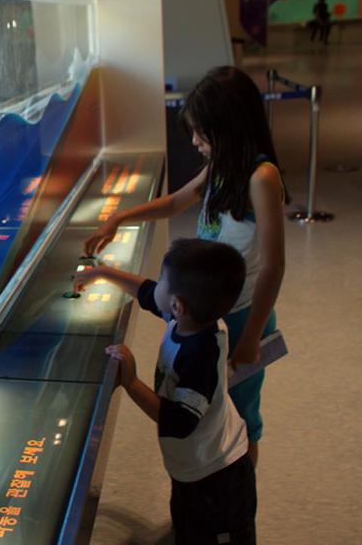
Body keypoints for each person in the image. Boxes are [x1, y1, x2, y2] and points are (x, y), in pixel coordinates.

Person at [84, 66, 286, 468]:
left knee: (241, 413)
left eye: (201, 133)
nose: (195, 142)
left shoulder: (261, 177)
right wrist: (121, 217)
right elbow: (176, 201)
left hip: (243, 313)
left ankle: (237, 499)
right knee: (201, 401)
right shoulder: (221, 166)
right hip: (203, 307)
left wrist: (250, 338)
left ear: (228, 126)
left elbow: (273, 266)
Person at [75, 238, 255, 544]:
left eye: (164, 282)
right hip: (193, 464)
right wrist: (103, 273)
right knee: (187, 526)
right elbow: (148, 293)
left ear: (177, 305)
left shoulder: (200, 353)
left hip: (216, 472)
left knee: (217, 534)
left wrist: (131, 384)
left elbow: (180, 421)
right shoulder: (191, 319)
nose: (155, 285)